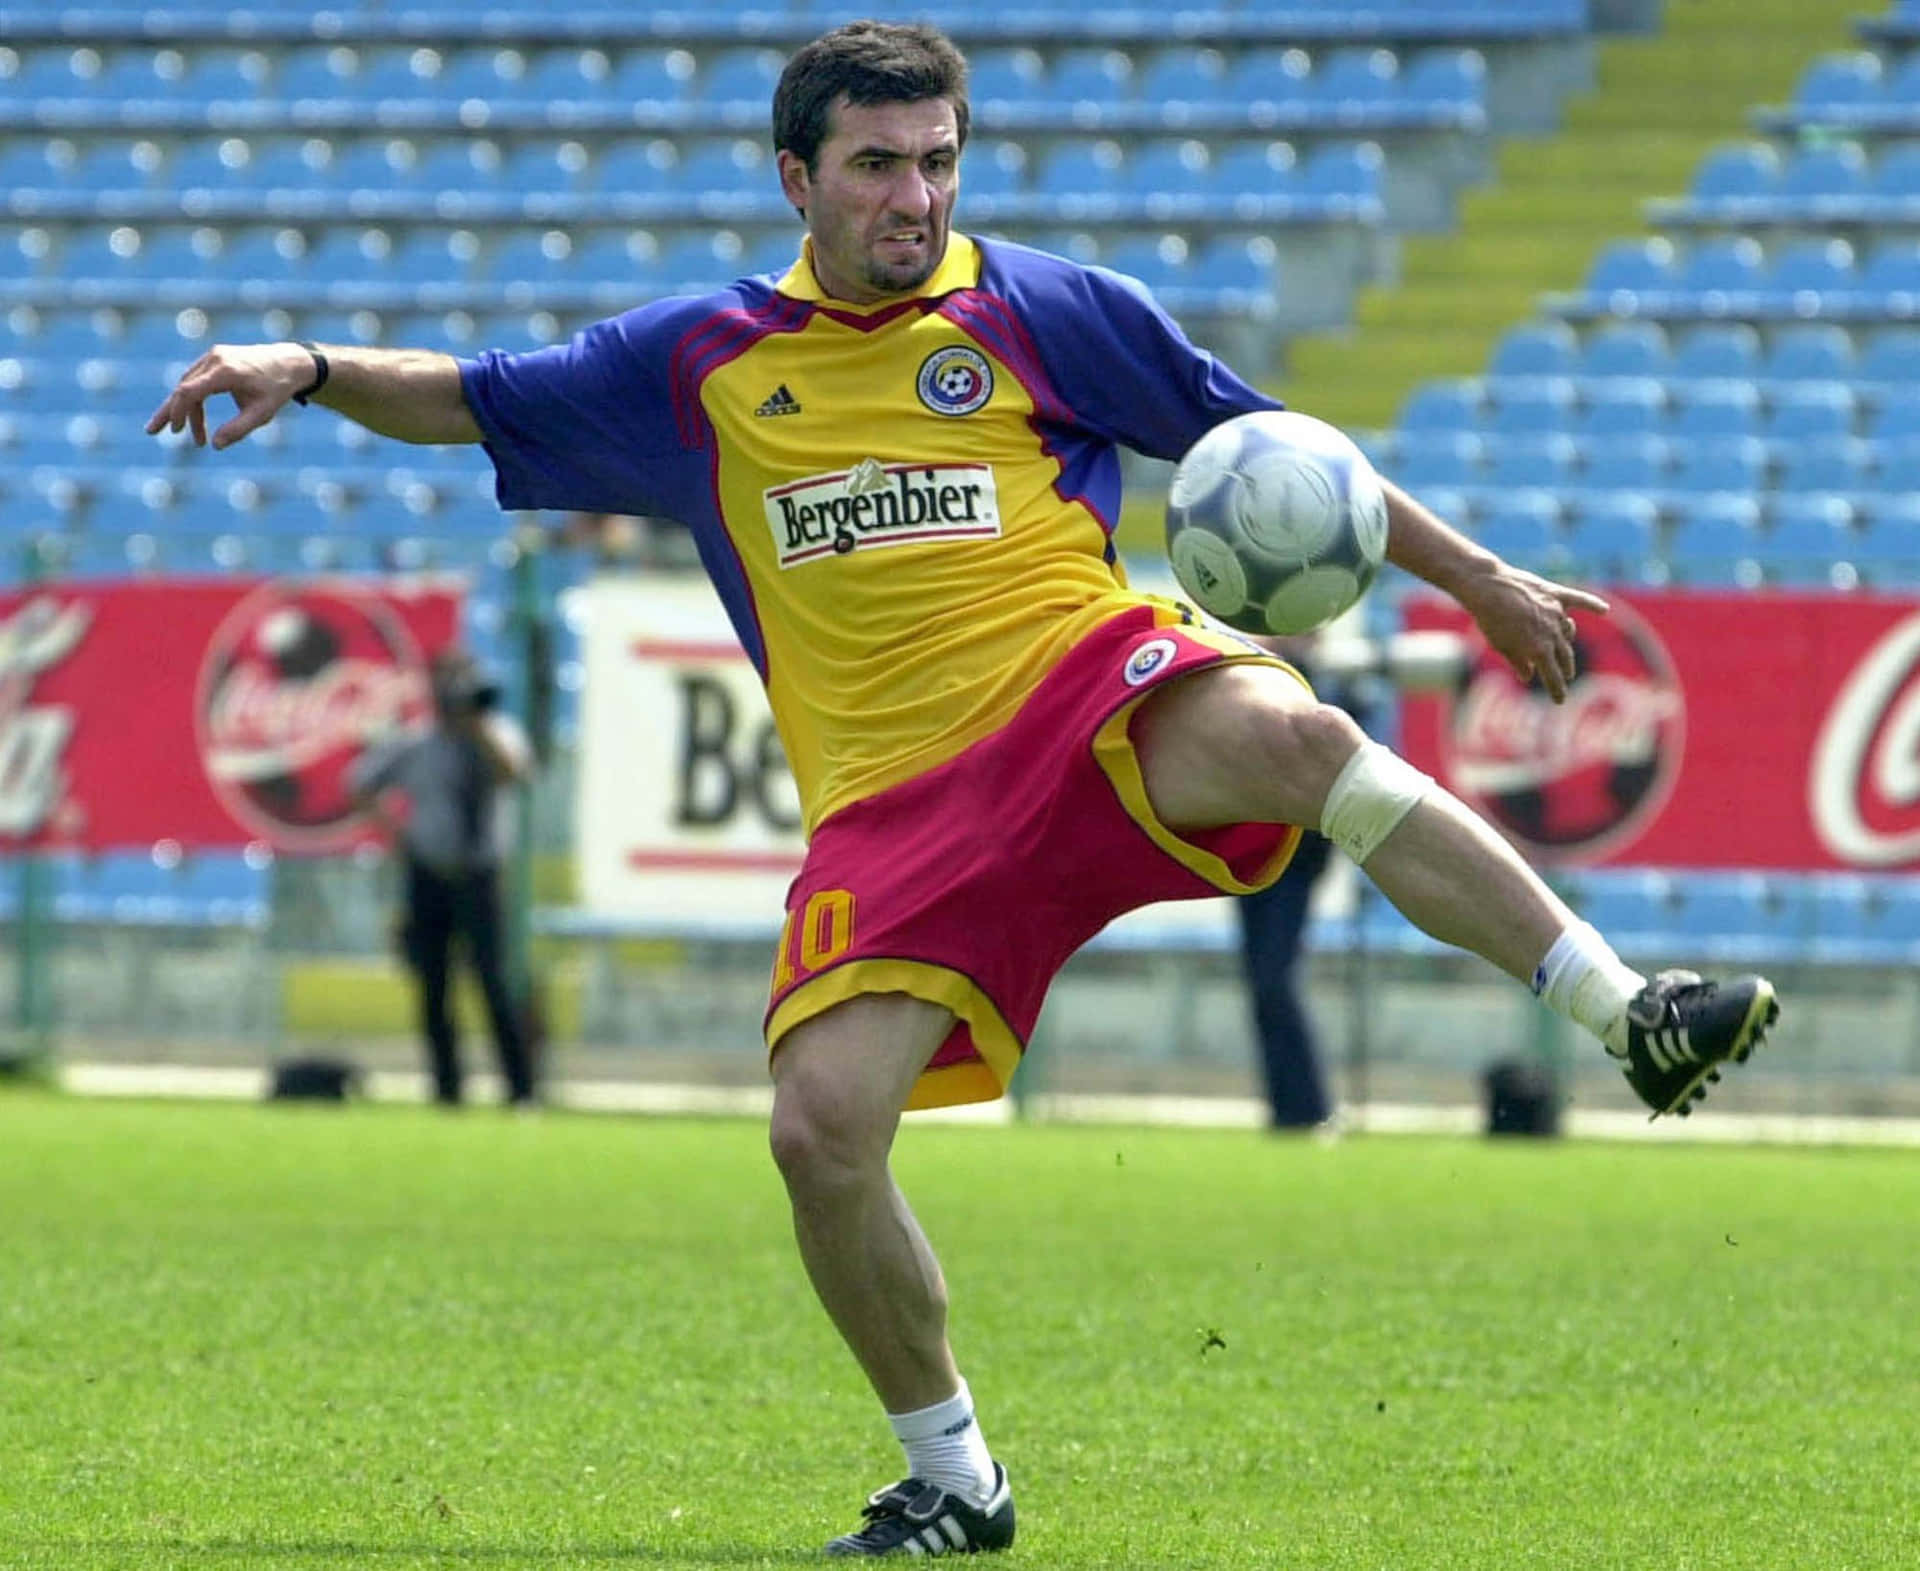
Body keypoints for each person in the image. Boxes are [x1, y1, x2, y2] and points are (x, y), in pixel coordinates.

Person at [148, 20, 1780, 1556]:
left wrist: (1480, 578)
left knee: (1295, 743)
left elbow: (1279, 443)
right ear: (797, 178)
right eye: (875, 165)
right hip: (895, 802)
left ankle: (1625, 1007)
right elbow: (475, 397)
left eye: (937, 160)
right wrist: (303, 358)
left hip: (1086, 686)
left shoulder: (1049, 309)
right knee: (819, 1132)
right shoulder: (700, 364)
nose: (913, 197)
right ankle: (957, 1480)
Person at [349, 646, 539, 1109]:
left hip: (481, 876)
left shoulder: (497, 735)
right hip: (430, 873)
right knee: (434, 988)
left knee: (494, 984)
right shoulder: (416, 744)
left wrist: (476, 728)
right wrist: (399, 833)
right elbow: (358, 783)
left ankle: (520, 1091)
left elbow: (515, 775)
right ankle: (447, 1089)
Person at [1234, 636, 1371, 1133]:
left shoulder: (1320, 683)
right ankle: (1289, 1108)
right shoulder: (1259, 671)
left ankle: (1306, 1108)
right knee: (1263, 981)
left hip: (1291, 858)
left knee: (1272, 979)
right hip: (1255, 853)